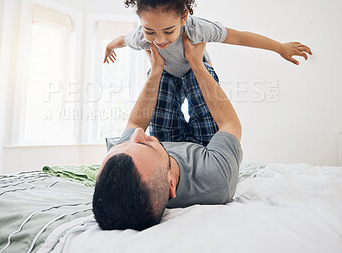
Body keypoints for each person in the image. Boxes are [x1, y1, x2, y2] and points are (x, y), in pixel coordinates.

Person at [103, 0, 312, 143]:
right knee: (161, 127)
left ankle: (203, 148)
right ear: (140, 20)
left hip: (196, 70)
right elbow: (122, 40)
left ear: (184, 17)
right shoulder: (141, 36)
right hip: (166, 75)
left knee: (207, 125)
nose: (159, 40)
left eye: (168, 31)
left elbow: (239, 37)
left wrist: (280, 47)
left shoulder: (197, 29)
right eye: (150, 31)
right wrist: (109, 47)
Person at [93, 35, 243, 230]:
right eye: (144, 143)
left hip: (167, 140)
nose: (138, 133)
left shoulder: (122, 160)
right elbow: (230, 124)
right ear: (170, 184)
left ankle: (165, 70)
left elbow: (136, 122)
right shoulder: (216, 180)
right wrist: (197, 65)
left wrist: (155, 71)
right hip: (206, 149)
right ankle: (200, 66)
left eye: (127, 143)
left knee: (163, 78)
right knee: (197, 77)